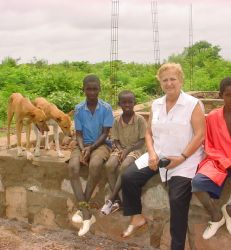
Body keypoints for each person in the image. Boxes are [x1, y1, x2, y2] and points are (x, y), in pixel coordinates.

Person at [121, 63, 205, 250]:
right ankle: (137, 216)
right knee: (128, 177)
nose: (169, 84)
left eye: (172, 79)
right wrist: (151, 153)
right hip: (158, 154)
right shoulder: (156, 104)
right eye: (164, 80)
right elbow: (149, 133)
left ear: (181, 80)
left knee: (177, 200)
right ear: (160, 83)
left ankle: (177, 246)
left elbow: (200, 134)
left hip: (185, 160)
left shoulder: (193, 104)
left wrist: (182, 157)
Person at [192, 76, 231, 239]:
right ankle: (216, 216)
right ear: (220, 95)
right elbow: (209, 145)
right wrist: (227, 163)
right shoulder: (212, 117)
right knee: (196, 183)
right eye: (228, 95)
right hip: (219, 161)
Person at [68, 74, 114, 236]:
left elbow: (105, 133)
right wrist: (82, 149)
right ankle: (86, 214)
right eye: (89, 89)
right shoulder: (79, 109)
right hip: (82, 144)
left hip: (101, 145)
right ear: (84, 90)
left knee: (95, 164)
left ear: (99, 89)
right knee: (73, 166)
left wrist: (91, 148)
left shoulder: (106, 108)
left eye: (95, 89)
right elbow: (78, 134)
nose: (92, 92)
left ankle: (82, 209)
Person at [100, 90, 147, 215]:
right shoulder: (116, 121)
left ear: (134, 103)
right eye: (124, 102)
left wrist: (127, 150)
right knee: (109, 165)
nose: (127, 105)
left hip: (136, 149)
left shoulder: (140, 120)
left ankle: (111, 198)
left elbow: (142, 141)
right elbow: (115, 140)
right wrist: (121, 150)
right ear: (119, 103)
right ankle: (118, 201)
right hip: (121, 148)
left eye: (130, 102)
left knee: (125, 166)